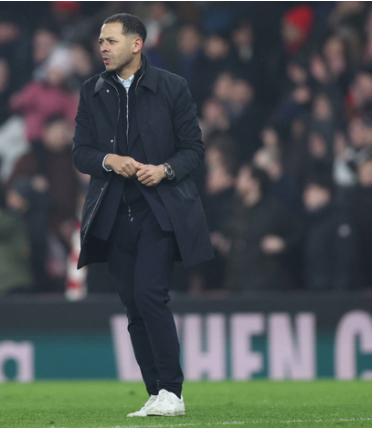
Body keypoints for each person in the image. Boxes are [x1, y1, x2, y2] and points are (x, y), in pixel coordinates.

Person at [72, 13, 213, 417]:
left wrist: (165, 169)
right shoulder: (91, 90)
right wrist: (109, 160)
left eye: (111, 41)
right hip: (114, 213)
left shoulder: (172, 86)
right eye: (101, 41)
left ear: (136, 44)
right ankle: (156, 392)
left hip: (159, 210)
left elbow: (193, 149)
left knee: (151, 296)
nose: (102, 47)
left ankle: (173, 390)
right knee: (134, 306)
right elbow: (81, 152)